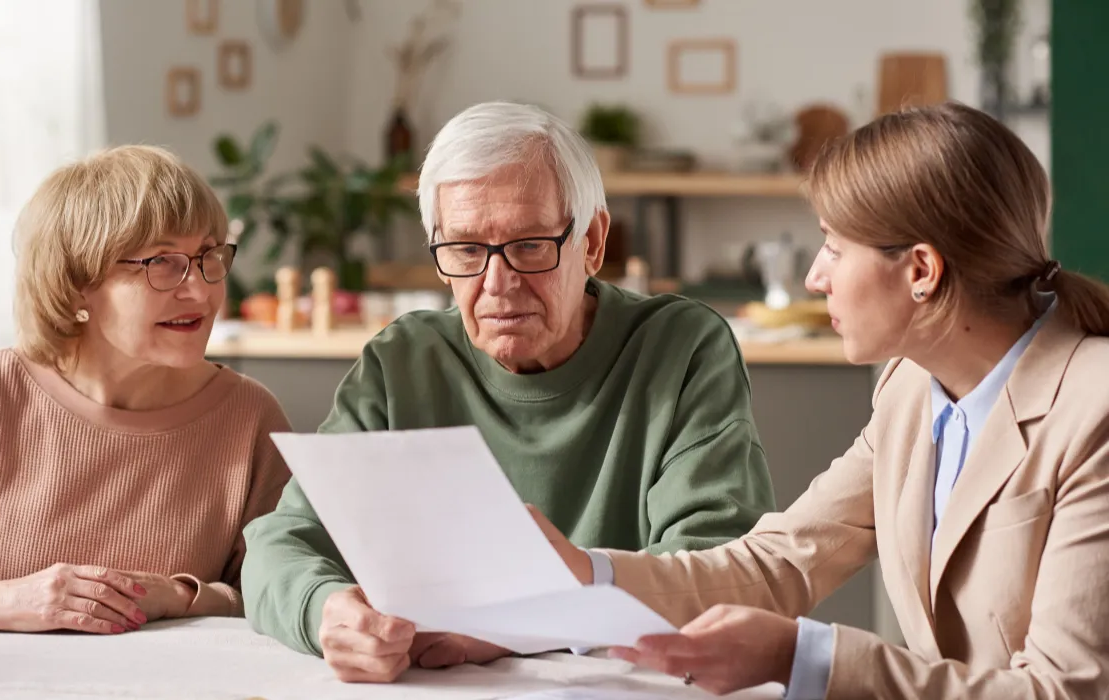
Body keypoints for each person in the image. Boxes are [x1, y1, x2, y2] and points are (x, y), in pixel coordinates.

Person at [533, 101, 1109, 699]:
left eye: (833, 246)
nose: (814, 276)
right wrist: (586, 575)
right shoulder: (910, 388)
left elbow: (1066, 691)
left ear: (921, 270)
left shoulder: (1095, 411)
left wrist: (807, 658)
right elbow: (781, 563)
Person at [241, 101, 776, 682]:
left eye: (529, 245)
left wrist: (516, 628)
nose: (498, 285)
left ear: (592, 242)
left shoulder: (682, 348)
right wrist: (325, 612)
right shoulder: (403, 361)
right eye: (467, 250)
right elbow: (278, 545)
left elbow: (718, 574)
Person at [0, 145, 292, 634]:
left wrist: (180, 595)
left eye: (207, 256)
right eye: (163, 262)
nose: (201, 291)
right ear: (75, 284)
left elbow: (283, 591)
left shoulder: (250, 416)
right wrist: (1, 601)